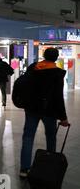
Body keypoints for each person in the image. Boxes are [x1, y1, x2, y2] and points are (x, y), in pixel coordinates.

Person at [19, 48, 70, 178]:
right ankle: (49, 164)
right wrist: (63, 118)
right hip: (49, 111)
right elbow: (58, 97)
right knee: (51, 137)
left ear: (43, 56)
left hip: (31, 108)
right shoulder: (57, 73)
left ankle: (24, 169)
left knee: (28, 137)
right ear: (56, 58)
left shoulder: (33, 68)